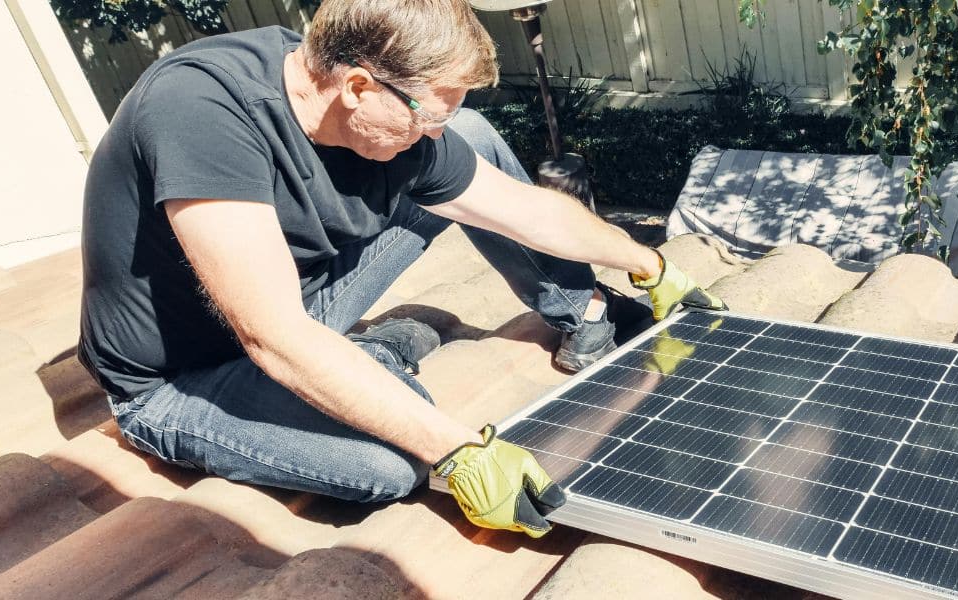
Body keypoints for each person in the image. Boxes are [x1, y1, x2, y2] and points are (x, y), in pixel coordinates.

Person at [77, 0, 725, 538]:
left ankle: (579, 314)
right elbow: (268, 332)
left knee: (474, 135)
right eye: (427, 117)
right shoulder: (203, 110)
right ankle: (365, 360)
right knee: (390, 465)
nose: (434, 138)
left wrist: (650, 263)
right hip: (183, 376)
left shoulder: (395, 120)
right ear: (358, 86)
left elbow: (527, 210)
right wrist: (460, 450)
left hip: (302, 298)